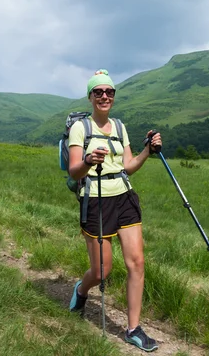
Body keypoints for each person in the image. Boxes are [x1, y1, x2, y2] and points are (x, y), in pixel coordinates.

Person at [67, 69, 162, 352]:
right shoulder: (80, 128)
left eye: (109, 92)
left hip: (124, 197)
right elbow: (74, 171)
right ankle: (81, 290)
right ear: (90, 97)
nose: (105, 96)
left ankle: (133, 329)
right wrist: (87, 160)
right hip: (95, 199)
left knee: (137, 262)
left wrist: (147, 151)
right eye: (99, 92)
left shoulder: (120, 127)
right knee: (102, 270)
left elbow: (128, 165)